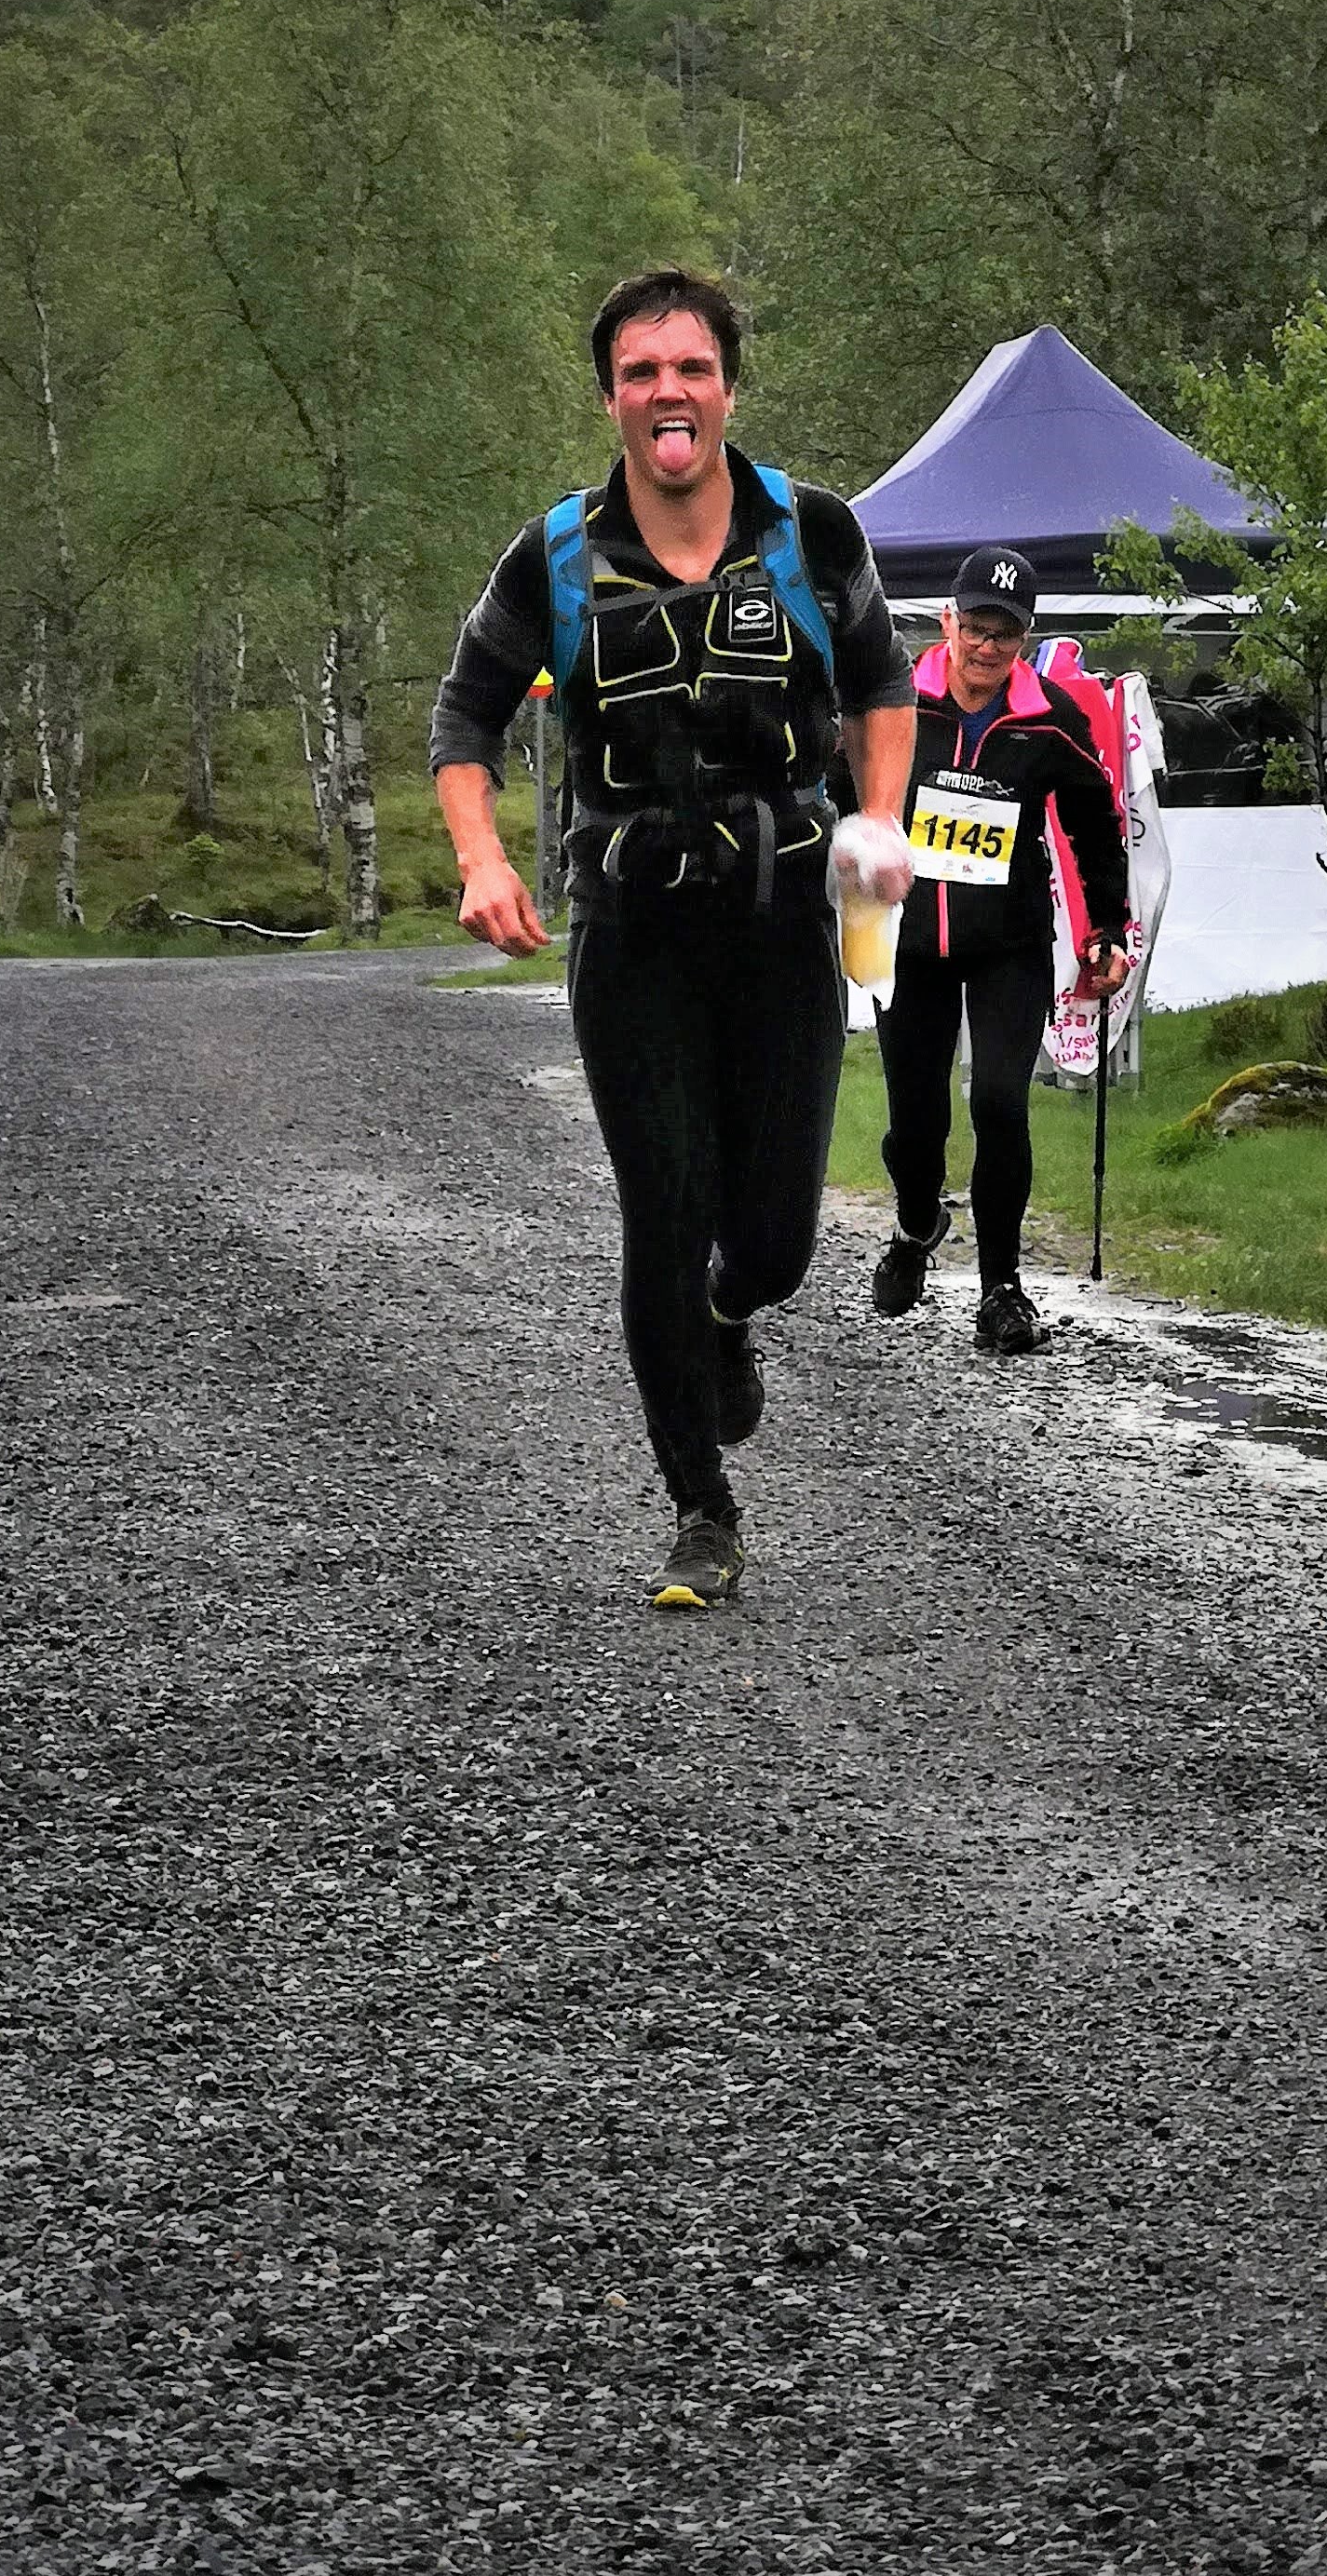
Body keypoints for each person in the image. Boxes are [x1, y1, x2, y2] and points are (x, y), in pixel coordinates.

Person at [430, 268, 915, 1612]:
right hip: (632, 927)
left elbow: (881, 680)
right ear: (611, 400)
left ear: (729, 390)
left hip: (782, 922)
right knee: (663, 1209)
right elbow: (466, 715)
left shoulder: (813, 532)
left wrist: (879, 817)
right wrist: (481, 858)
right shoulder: (557, 554)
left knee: (775, 1240)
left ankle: (729, 1308)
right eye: (641, 373)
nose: (668, 394)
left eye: (690, 368)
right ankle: (701, 1509)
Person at [870, 547, 1131, 1355]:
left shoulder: (1051, 716)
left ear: (1026, 639)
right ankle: (917, 1224)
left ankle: (1001, 1288)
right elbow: (842, 788)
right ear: (947, 621)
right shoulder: (895, 699)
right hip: (911, 942)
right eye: (976, 628)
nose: (987, 648)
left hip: (1008, 945)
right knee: (917, 1122)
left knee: (999, 1104)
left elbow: (1094, 823)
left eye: (1006, 635)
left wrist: (1107, 927)